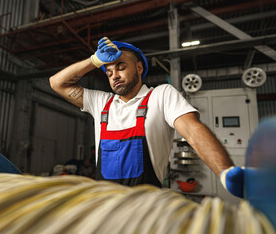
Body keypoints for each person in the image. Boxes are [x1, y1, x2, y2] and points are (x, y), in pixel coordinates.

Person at [49, 37, 243, 197]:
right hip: (105, 209)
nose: (114, 76)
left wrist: (225, 172)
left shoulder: (161, 96)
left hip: (146, 212)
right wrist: (94, 61)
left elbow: (193, 131)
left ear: (139, 68)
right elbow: (57, 83)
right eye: (109, 72)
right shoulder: (101, 103)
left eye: (121, 67)